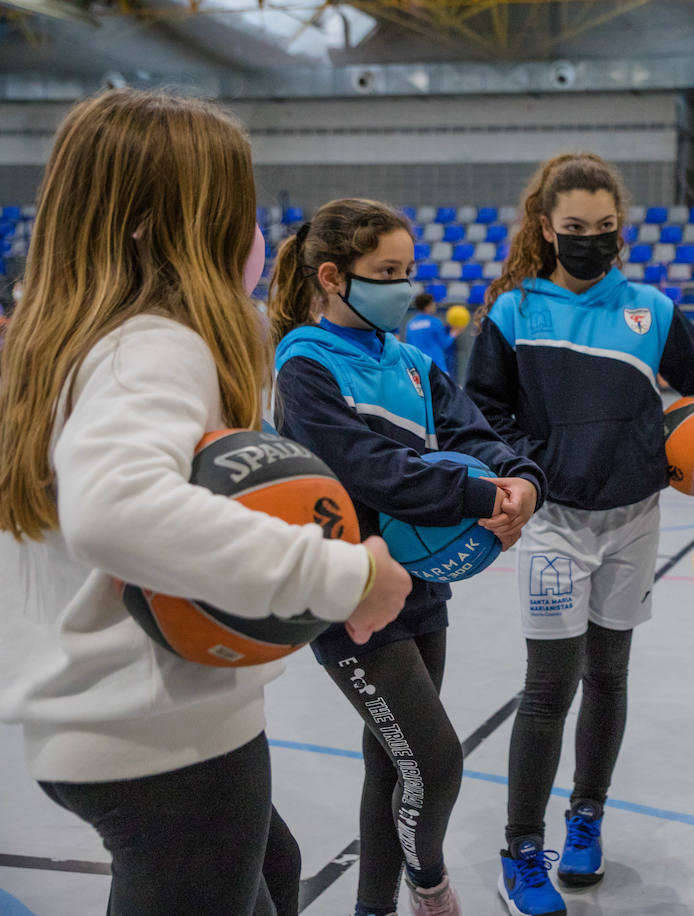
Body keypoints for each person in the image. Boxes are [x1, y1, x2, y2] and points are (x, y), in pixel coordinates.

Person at [0, 89, 409, 916]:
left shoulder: (76, 341)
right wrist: (341, 575)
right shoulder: (155, 342)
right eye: (239, 207)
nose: (258, 233)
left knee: (276, 866)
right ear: (175, 224)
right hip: (157, 738)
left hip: (117, 723)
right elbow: (115, 509)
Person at [465, 152, 694, 916]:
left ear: (621, 229)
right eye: (574, 227)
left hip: (633, 519)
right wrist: (522, 470)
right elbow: (483, 412)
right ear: (547, 228)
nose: (590, 239)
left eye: (604, 227)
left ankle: (587, 817)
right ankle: (522, 848)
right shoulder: (515, 311)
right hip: (553, 521)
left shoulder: (652, 308)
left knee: (608, 676)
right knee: (547, 690)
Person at [269, 198, 547, 916]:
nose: (402, 284)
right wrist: (475, 495)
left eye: (408, 270)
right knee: (433, 760)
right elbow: (368, 468)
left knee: (388, 761)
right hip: (347, 592)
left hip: (419, 585)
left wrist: (520, 483)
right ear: (333, 277)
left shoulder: (414, 362)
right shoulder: (304, 364)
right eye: (385, 272)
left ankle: (374, 908)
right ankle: (428, 882)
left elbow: (476, 433)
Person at [404, 291, 458, 378]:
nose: (435, 305)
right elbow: (444, 344)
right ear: (428, 306)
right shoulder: (435, 322)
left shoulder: (410, 324)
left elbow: (409, 346)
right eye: (433, 303)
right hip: (436, 366)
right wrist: (454, 333)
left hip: (417, 367)